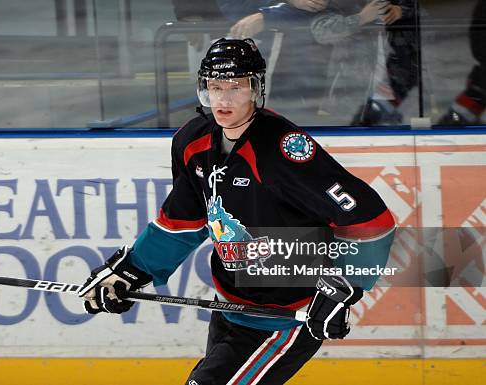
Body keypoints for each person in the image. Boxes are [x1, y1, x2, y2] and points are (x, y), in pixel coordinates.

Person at [78, 38, 396, 384]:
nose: (224, 99)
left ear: (256, 89)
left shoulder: (282, 150)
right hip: (230, 308)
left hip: (288, 319)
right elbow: (185, 219)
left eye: (235, 87)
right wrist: (132, 269)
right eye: (215, 87)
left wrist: (342, 287)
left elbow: (370, 221)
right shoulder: (192, 141)